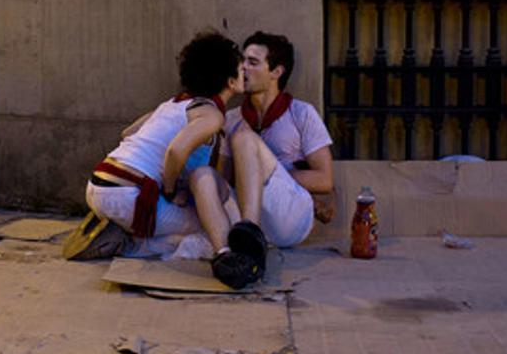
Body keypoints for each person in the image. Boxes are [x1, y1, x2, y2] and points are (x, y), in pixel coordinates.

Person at [67, 31, 263, 288]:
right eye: (240, 69)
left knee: (205, 212)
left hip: (99, 185)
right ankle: (130, 242)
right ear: (228, 80)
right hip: (131, 196)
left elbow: (127, 133)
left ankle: (122, 228)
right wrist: (170, 189)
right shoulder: (211, 115)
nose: (245, 73)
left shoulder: (172, 104)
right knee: (214, 229)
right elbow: (175, 151)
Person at [212, 31, 336, 277]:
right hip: (249, 211)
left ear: (276, 72)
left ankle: (250, 238)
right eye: (243, 61)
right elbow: (223, 180)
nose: (243, 68)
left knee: (246, 139)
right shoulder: (231, 119)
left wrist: (264, 172)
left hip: (290, 216)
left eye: (253, 62)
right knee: (204, 176)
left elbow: (324, 180)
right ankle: (242, 255)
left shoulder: (301, 113)